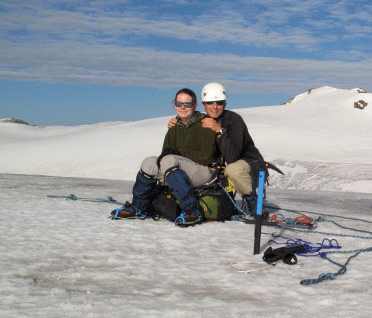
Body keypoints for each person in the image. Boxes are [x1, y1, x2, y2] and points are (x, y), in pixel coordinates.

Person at [111, 88, 217, 226]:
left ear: (195, 105)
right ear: (175, 105)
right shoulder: (174, 126)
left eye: (187, 104)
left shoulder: (205, 123)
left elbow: (206, 157)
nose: (183, 107)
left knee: (169, 160)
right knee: (149, 162)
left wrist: (177, 153)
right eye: (179, 104)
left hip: (204, 170)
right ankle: (139, 207)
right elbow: (166, 151)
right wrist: (173, 156)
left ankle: (191, 210)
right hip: (179, 169)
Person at [169, 82, 265, 215]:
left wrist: (219, 131)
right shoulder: (203, 120)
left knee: (233, 169)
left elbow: (232, 157)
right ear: (204, 104)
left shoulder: (233, 120)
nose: (214, 107)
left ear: (224, 104)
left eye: (219, 102)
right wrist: (177, 121)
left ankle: (255, 205)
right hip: (222, 168)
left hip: (249, 163)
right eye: (210, 103)